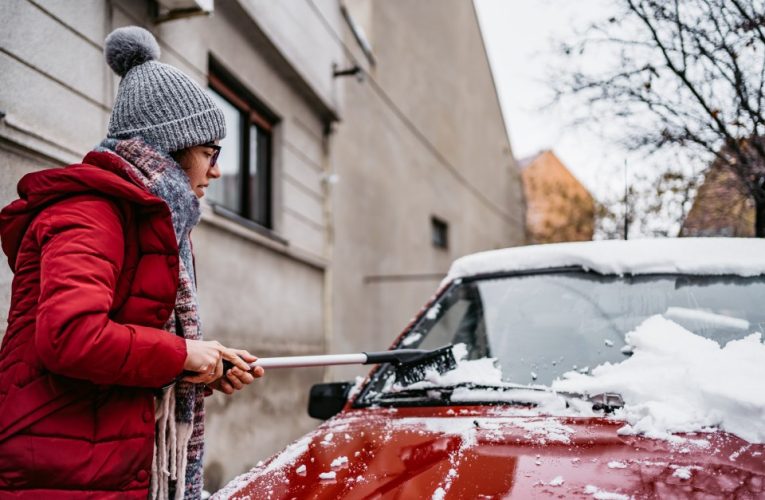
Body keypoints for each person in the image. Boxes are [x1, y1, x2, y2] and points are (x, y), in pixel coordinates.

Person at [0, 26, 264, 499]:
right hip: (63, 471)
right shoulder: (91, 212)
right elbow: (71, 336)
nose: (218, 170)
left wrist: (203, 368)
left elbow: (129, 340)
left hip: (104, 461)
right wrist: (183, 354)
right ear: (170, 146)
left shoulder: (151, 218)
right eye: (210, 152)